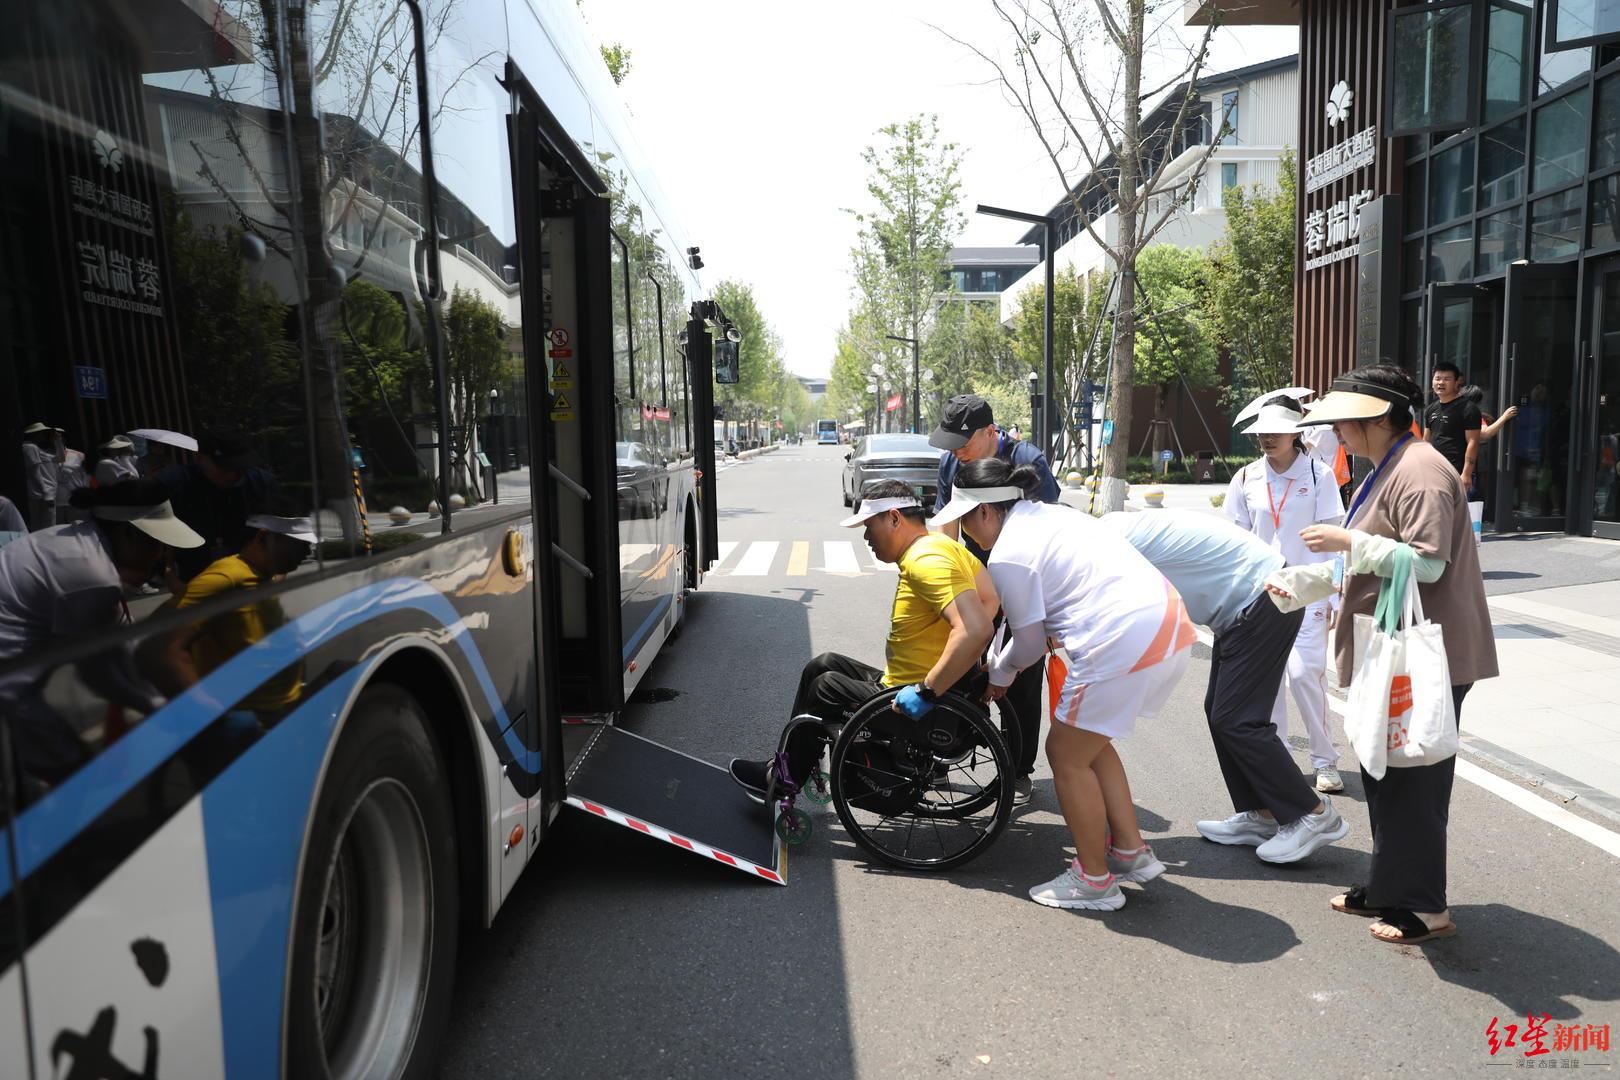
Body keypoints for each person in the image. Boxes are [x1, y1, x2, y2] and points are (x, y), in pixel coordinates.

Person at [1268, 363, 1497, 946]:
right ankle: (1390, 882)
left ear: (1374, 416)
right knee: (1382, 767)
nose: (1335, 433)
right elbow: (1373, 559)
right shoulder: (1390, 465)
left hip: (1426, 653)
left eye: (1341, 421)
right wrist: (1309, 581)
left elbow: (1427, 563)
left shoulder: (1419, 470)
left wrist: (1347, 542)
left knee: (1412, 777)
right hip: (1394, 645)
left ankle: (1424, 908)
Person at [932, 458, 1194, 911]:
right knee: (1090, 745)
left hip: (1121, 638)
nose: (966, 534)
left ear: (986, 512)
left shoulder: (1009, 553)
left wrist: (999, 673)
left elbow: (1030, 645)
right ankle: (1130, 850)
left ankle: (1094, 880)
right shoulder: (1051, 516)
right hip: (1168, 625)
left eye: (964, 521)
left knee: (1064, 754)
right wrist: (1006, 659)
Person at [1101, 509, 1350, 864]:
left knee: (1238, 719)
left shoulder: (1107, 546)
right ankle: (1263, 813)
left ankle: (1311, 813)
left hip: (1261, 597)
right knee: (1221, 712)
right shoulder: (1111, 531)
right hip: (1249, 601)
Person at [728, 479, 996, 796]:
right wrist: (957, 668)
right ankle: (785, 765)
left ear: (895, 518)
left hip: (916, 703)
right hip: (921, 685)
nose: (867, 538)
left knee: (825, 688)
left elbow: (976, 628)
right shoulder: (944, 546)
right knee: (822, 665)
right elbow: (990, 598)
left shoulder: (927, 562)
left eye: (870, 526)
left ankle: (784, 781)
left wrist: (928, 689)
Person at [0, 480, 205, 786]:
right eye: (155, 543)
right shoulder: (91, 573)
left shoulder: (79, 540)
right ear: (126, 534)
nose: (162, 553)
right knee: (71, 775)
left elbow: (121, 639)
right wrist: (164, 709)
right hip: (10, 681)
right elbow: (98, 670)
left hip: (15, 670)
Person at [930, 393, 1060, 802]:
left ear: (991, 433)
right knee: (955, 660)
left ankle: (1017, 767)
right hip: (974, 581)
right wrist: (946, 588)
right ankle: (938, 751)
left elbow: (1047, 529)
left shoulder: (1028, 459)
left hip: (1021, 574)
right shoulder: (953, 461)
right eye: (952, 443)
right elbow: (945, 527)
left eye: (964, 442)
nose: (957, 451)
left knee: (1021, 673)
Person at [1224, 396, 1347, 793]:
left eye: (1276, 429)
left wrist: (1334, 597)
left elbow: (1337, 538)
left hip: (1308, 589)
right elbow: (1234, 540)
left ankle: (1325, 760)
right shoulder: (1245, 478)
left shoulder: (1319, 474)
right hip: (1261, 595)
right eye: (1262, 429)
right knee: (1268, 682)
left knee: (1304, 675)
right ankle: (1276, 761)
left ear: (1296, 431)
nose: (1267, 436)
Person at [143, 506, 315, 712]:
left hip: (283, 710)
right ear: (264, 537)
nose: (307, 552)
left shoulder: (263, 576)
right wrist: (205, 708)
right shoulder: (227, 577)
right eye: (299, 544)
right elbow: (158, 644)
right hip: (252, 719)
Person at [158, 429, 277, 580]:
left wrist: (276, 575)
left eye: (241, 467)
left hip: (255, 576)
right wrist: (168, 571)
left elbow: (281, 530)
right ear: (200, 458)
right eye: (226, 467)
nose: (234, 475)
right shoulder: (174, 483)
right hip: (195, 580)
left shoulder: (262, 483)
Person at [1422, 362, 1482, 493]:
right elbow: (1426, 440)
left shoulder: (1468, 408)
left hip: (1456, 472)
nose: (1441, 383)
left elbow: (1473, 442)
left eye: (1447, 379)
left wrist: (1466, 474)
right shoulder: (1430, 409)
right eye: (1437, 379)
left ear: (1456, 383)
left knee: (1457, 512)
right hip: (1433, 470)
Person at [21, 422, 63, 530]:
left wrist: (58, 440)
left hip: (46, 493)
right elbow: (34, 471)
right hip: (41, 494)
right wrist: (46, 493)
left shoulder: (38, 449)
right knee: (45, 527)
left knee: (48, 525)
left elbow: (60, 458)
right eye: (42, 433)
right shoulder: (29, 447)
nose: (44, 436)